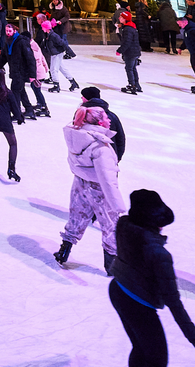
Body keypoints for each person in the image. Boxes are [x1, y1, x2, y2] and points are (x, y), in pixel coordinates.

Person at [110, 189, 195, 366]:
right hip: (136, 304)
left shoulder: (124, 225)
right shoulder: (158, 254)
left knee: (141, 349)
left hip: (117, 290)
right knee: (157, 359)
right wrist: (194, 339)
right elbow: (173, 301)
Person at [53, 104, 123, 275]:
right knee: (110, 224)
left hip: (80, 183)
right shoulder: (101, 147)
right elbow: (107, 180)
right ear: (100, 122)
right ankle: (111, 266)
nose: (109, 120)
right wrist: (118, 206)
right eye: (106, 117)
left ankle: (63, 252)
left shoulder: (77, 136)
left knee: (77, 216)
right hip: (99, 189)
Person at [2, 22, 48, 119]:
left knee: (15, 92)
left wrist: (32, 75)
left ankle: (17, 114)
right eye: (6, 31)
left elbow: (31, 60)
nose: (8, 33)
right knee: (21, 91)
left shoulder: (22, 42)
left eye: (10, 31)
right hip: (15, 72)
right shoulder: (9, 42)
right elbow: (4, 56)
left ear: (15, 31)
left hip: (22, 72)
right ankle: (29, 110)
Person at [80, 86, 127, 160]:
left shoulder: (82, 115)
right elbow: (120, 139)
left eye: (83, 96)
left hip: (101, 158)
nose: (81, 98)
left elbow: (119, 138)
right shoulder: (112, 116)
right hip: (106, 158)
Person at [39, 18, 78, 93]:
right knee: (62, 68)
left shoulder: (53, 36)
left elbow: (63, 43)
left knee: (53, 69)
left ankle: (56, 86)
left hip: (57, 54)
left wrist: (71, 53)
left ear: (46, 28)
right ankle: (73, 82)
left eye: (42, 27)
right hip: (54, 53)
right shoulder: (47, 35)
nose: (41, 28)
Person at [117, 10, 143, 95]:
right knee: (133, 68)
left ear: (125, 19)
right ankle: (136, 85)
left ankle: (132, 85)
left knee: (129, 69)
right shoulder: (131, 27)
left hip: (131, 52)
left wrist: (120, 50)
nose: (119, 18)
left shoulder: (127, 29)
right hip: (135, 51)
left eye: (121, 17)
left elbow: (127, 42)